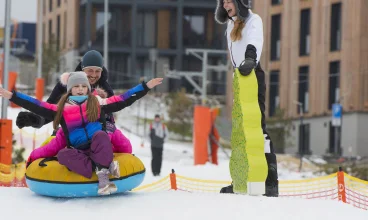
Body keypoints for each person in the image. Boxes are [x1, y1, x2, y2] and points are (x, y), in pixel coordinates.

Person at [0, 71, 163, 195]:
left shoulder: (99, 104)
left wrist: (145, 87)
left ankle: (104, 177)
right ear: (70, 89)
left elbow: (124, 99)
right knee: (63, 155)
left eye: (83, 86)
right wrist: (11, 96)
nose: (80, 89)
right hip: (80, 153)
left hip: (99, 148)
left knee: (101, 135)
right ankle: (102, 167)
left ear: (88, 88)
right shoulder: (61, 110)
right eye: (76, 86)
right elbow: (35, 104)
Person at [215, 0, 279, 197]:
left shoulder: (254, 20)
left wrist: (250, 58)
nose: (226, 5)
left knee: (256, 127)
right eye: (223, 2)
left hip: (252, 74)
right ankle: (241, 178)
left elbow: (254, 41)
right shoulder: (230, 24)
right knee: (240, 129)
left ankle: (270, 181)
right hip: (238, 77)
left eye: (229, 1)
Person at [15, 50, 132, 152]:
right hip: (70, 131)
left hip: (94, 135)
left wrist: (108, 133)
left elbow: (109, 115)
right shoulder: (67, 85)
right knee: (53, 145)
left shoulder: (105, 89)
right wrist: (37, 119)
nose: (94, 75)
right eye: (90, 71)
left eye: (97, 71)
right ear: (82, 69)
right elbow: (50, 107)